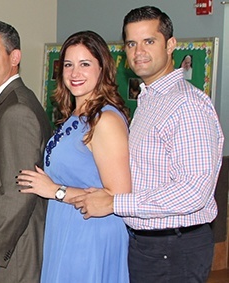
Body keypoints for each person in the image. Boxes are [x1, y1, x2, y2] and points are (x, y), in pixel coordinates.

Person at [73, 6, 224, 282]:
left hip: (174, 248)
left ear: (171, 45)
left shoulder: (186, 104)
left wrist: (116, 203)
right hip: (148, 244)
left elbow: (193, 193)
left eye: (149, 41)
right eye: (131, 43)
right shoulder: (149, 99)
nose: (139, 51)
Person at [17, 30, 131, 283]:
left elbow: (119, 197)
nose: (75, 73)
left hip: (90, 234)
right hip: (65, 227)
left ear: (102, 69)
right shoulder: (74, 115)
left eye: (85, 64)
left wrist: (55, 190)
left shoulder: (105, 120)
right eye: (68, 65)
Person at [0, 20, 51, 283]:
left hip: (14, 252)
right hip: (5, 245)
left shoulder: (17, 110)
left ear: (14, 57)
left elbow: (20, 191)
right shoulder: (0, 105)